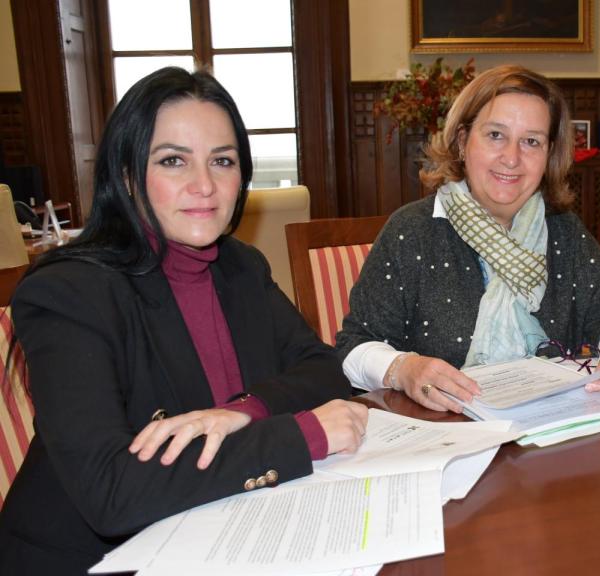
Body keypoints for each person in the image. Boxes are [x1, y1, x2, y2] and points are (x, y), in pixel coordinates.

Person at [0, 67, 368, 573]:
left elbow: (323, 369)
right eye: (173, 161)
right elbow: (113, 492)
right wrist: (298, 436)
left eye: (222, 161)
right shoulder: (67, 293)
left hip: (218, 529)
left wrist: (243, 411)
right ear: (128, 176)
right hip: (94, 559)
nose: (204, 185)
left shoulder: (239, 265)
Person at [335, 65, 600, 412]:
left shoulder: (564, 230)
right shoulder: (412, 231)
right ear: (462, 140)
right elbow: (354, 346)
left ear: (549, 154)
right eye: (495, 135)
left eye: (531, 141)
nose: (512, 158)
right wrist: (403, 369)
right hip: (446, 435)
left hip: (550, 431)